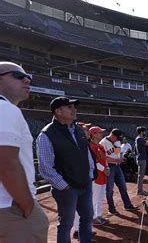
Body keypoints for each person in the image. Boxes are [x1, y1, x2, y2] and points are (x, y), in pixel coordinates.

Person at [0, 62, 49, 243]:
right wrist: (28, 207)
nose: (27, 79)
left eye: (28, 76)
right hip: (12, 209)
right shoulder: (5, 108)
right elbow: (6, 164)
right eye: (18, 75)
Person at [37, 96, 95, 243]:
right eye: (69, 107)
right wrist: (65, 187)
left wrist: (89, 175)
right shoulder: (46, 134)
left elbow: (86, 154)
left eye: (74, 107)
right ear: (58, 111)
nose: (74, 109)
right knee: (66, 225)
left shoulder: (79, 130)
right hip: (66, 189)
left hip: (85, 184)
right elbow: (45, 168)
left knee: (87, 219)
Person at [100, 129, 137, 214]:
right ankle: (111, 209)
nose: (118, 140)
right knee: (109, 189)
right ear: (112, 135)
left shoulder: (117, 142)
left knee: (123, 186)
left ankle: (127, 205)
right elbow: (104, 158)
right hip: (109, 166)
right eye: (117, 138)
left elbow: (117, 152)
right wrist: (117, 160)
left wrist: (121, 158)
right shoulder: (103, 143)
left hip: (117, 166)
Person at [135, 126, 148, 195]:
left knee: (140, 175)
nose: (145, 133)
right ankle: (140, 191)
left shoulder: (139, 139)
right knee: (141, 176)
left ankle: (140, 190)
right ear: (141, 132)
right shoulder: (139, 139)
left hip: (141, 158)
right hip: (141, 159)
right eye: (144, 131)